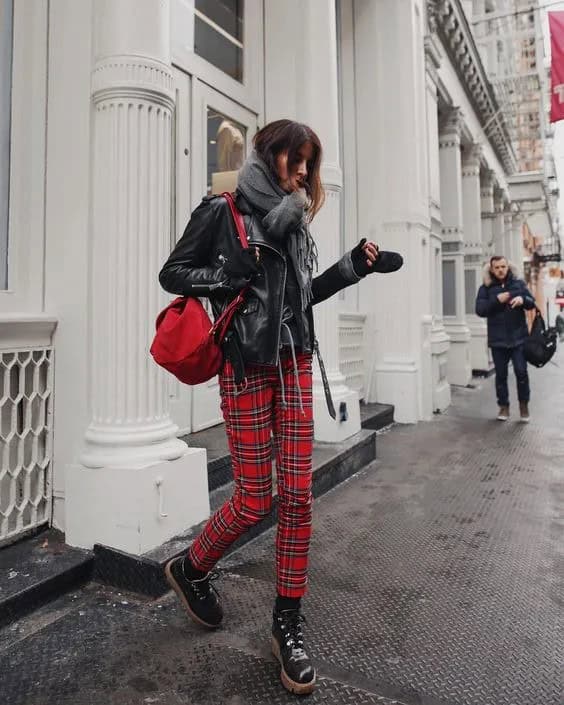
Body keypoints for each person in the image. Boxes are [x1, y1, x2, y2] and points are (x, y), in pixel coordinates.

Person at [158, 119, 403, 695]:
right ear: (270, 154)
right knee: (252, 499)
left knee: (296, 495)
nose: (303, 173)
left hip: (294, 362)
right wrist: (231, 270)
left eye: (309, 164)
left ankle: (286, 622)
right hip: (244, 367)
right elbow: (174, 273)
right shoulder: (224, 210)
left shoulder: (296, 224)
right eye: (296, 160)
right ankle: (191, 567)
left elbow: (299, 297)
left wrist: (350, 269)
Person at [475, 256, 536, 422]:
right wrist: (496, 300)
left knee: (521, 372)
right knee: (501, 375)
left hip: (519, 339)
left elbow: (532, 302)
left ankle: (524, 406)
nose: (501, 270)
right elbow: (480, 309)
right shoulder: (485, 288)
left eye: (503, 266)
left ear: (508, 267)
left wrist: (523, 300)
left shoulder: (518, 284)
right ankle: (504, 407)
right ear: (492, 269)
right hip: (498, 341)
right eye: (497, 267)